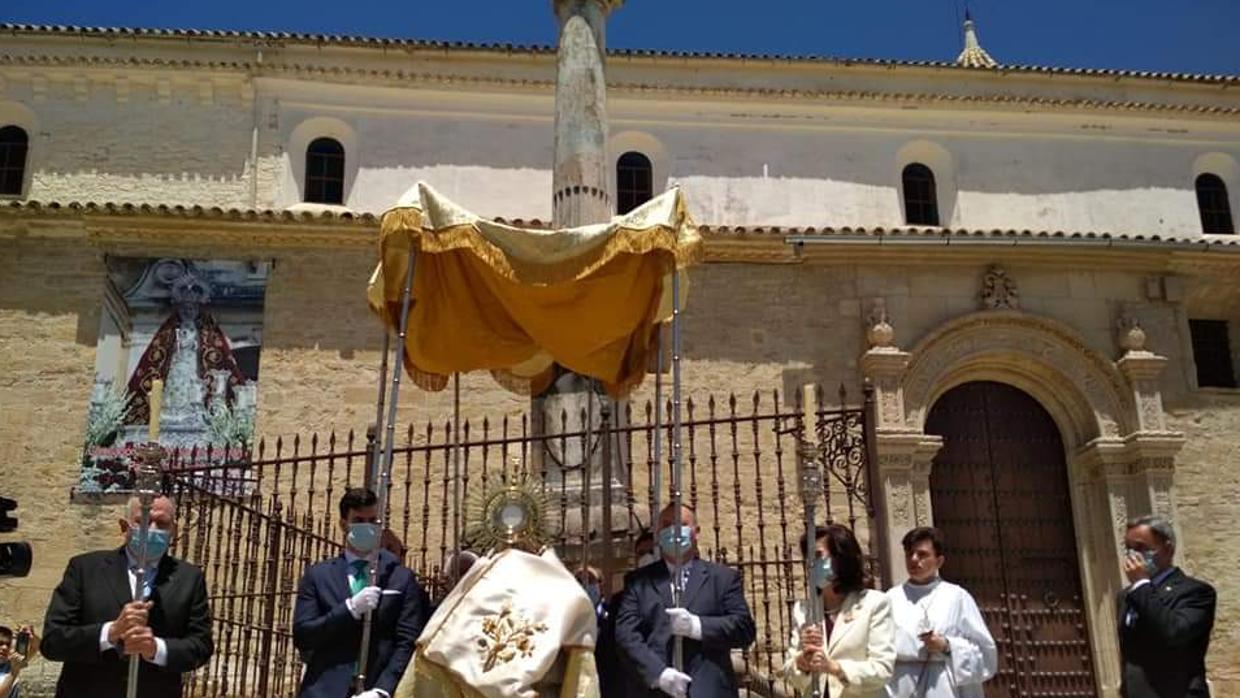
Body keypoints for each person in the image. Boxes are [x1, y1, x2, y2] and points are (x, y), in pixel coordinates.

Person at [41, 495, 213, 698]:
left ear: (173, 531)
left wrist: (156, 649)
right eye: (144, 521)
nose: (153, 529)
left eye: (162, 524)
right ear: (125, 526)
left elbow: (201, 646)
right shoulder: (85, 569)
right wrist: (111, 632)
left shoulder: (188, 578)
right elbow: (53, 641)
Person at [293, 488, 430, 698]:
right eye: (358, 520)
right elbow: (304, 636)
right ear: (343, 524)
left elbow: (407, 641)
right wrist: (349, 610)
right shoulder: (318, 576)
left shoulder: (400, 578)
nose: (366, 527)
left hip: (376, 689)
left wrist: (382, 690)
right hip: (324, 690)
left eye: (372, 520)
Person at [615, 504, 756, 698]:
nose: (673, 530)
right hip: (656, 690)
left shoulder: (722, 578)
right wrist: (659, 674)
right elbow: (626, 634)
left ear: (696, 532)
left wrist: (696, 626)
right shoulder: (639, 581)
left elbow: (744, 629)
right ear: (658, 532)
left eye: (681, 524)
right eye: (666, 524)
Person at [782, 524, 895, 698]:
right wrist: (802, 662)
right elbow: (791, 674)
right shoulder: (803, 610)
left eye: (818, 556)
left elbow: (882, 669)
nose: (811, 564)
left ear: (840, 559)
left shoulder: (874, 604)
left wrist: (835, 668)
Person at [884, 527, 996, 698]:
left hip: (943, 687)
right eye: (909, 554)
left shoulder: (957, 597)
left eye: (922, 554)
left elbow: (985, 654)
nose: (914, 559)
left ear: (939, 561)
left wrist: (947, 646)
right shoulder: (891, 598)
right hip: (900, 687)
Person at [1119, 515, 1215, 698]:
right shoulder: (1125, 597)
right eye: (1129, 549)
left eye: (1141, 548)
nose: (1133, 556)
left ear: (1167, 549)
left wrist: (1141, 584)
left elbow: (1173, 632)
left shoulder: (1196, 592)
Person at [598, 531, 655, 697]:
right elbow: (608, 646)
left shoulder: (677, 594)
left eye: (651, 552)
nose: (646, 558)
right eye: (641, 553)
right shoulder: (620, 600)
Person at [0, 625, 39, 698]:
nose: (4, 647)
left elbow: (35, 647)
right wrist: (14, 672)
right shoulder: (13, 667)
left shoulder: (10, 663)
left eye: (8, 644)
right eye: (0, 643)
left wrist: (31, 635)